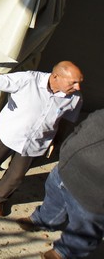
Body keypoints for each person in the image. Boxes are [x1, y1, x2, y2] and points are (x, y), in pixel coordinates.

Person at [0, 61, 84, 216]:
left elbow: (66, 120)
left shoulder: (75, 98)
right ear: (56, 76)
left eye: (79, 83)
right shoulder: (28, 79)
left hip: (36, 143)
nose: (78, 87)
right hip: (8, 133)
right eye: (73, 82)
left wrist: (58, 140)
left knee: (16, 176)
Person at [15, 109, 104, 259]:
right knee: (53, 200)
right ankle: (44, 220)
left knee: (83, 230)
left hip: (94, 196)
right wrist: (68, 149)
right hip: (65, 172)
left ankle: (64, 252)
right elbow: (84, 126)